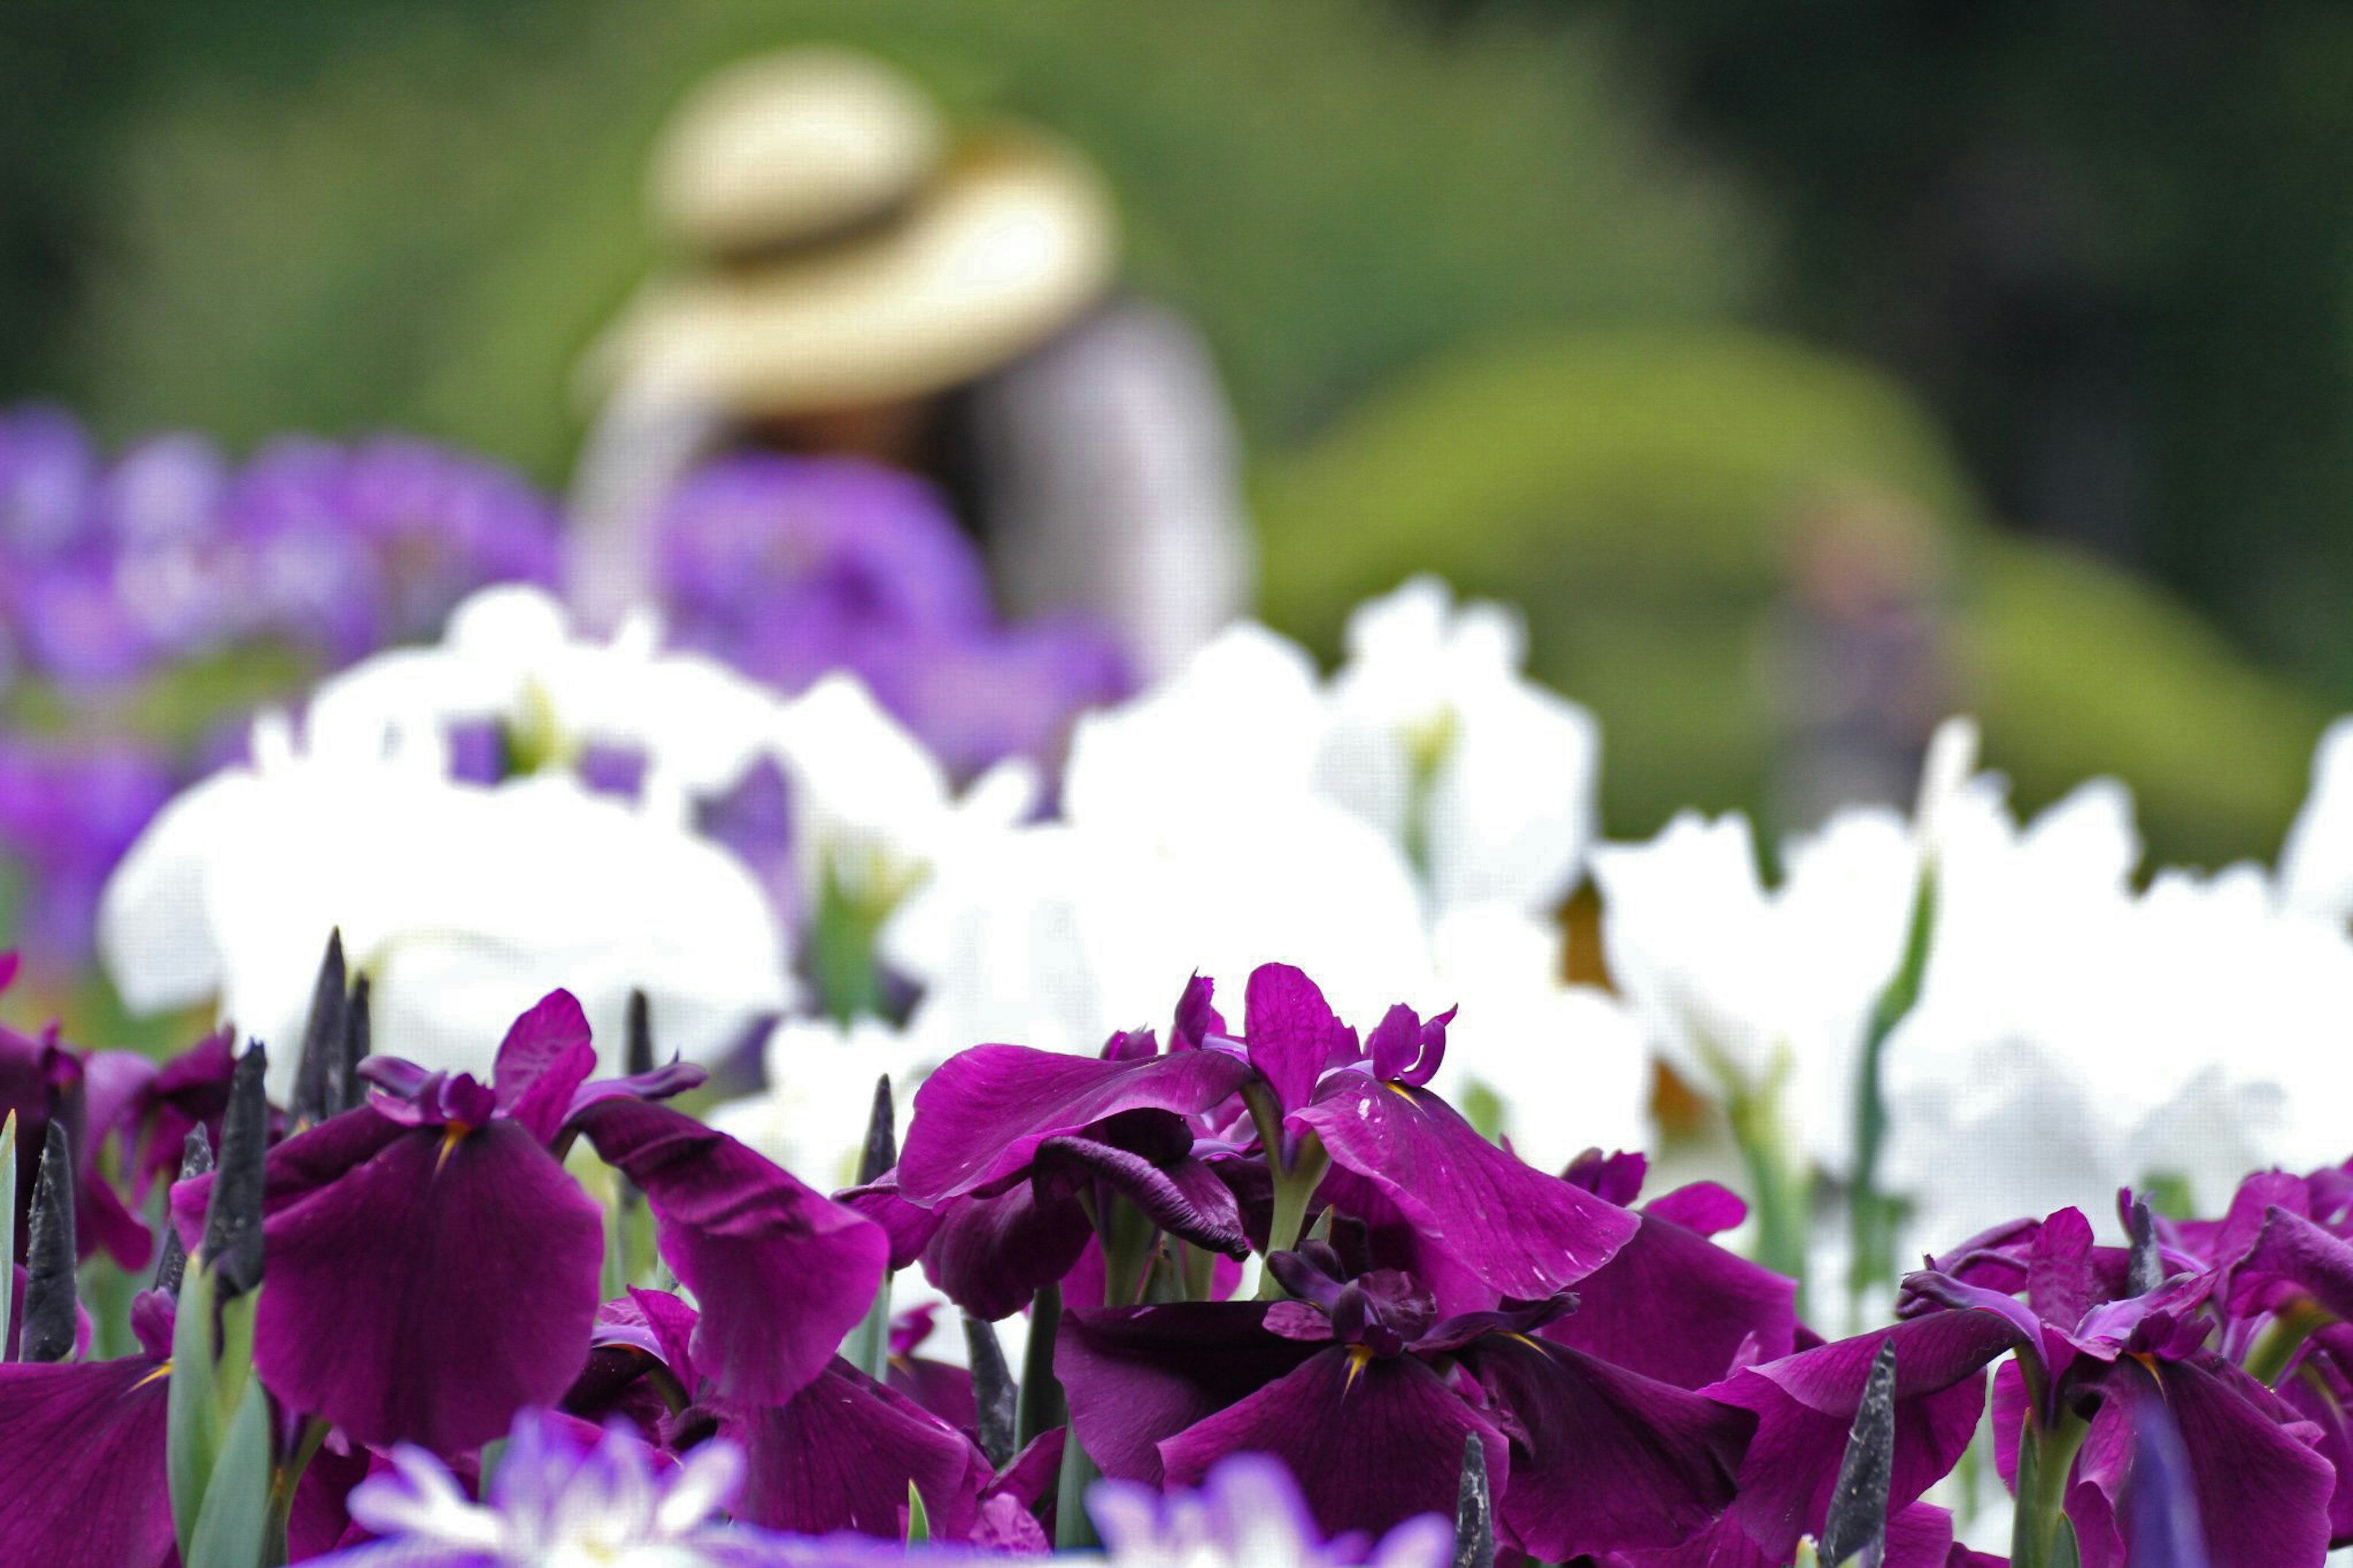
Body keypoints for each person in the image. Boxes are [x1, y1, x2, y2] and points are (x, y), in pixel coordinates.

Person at [570, 46, 1252, 681]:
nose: (832, 395)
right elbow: (614, 638)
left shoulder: (1090, 392)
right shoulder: (676, 427)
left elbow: (1166, 655)